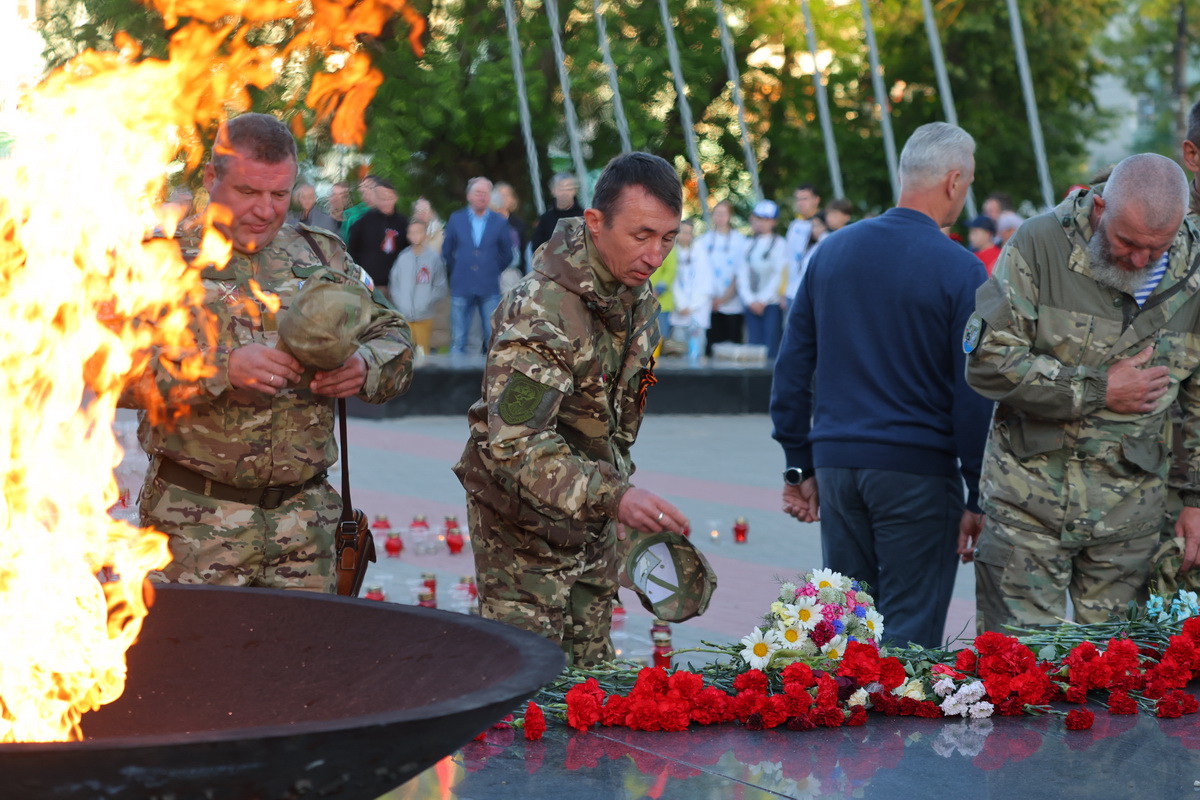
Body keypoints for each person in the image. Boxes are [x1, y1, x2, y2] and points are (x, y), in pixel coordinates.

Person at [133, 113, 414, 592]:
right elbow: (105, 371)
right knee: (197, 665)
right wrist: (220, 369)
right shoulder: (159, 261)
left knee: (309, 666)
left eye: (279, 194)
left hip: (306, 530)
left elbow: (394, 334)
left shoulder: (322, 255)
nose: (265, 210)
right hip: (195, 526)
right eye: (248, 192)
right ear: (210, 178)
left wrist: (364, 367)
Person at [453, 152, 690, 667]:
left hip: (590, 522)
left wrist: (618, 504)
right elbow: (514, 445)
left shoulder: (634, 299)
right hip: (523, 539)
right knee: (521, 691)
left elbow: (614, 424)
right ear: (595, 223)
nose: (655, 254)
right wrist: (617, 496)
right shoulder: (540, 309)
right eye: (641, 235)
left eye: (668, 238)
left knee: (589, 683)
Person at [771, 122, 992, 648]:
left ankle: (844, 727)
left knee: (847, 632)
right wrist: (978, 492)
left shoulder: (831, 253)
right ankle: (892, 734)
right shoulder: (962, 271)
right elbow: (974, 392)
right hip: (917, 472)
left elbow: (792, 366)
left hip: (838, 470)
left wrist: (797, 462)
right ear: (954, 180)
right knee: (908, 642)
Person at [966, 153, 1200, 632]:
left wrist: (1196, 498)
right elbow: (988, 361)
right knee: (1017, 676)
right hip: (1027, 507)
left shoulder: (1194, 264)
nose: (1138, 259)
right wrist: (1096, 390)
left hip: (1131, 520)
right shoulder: (1039, 244)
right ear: (1098, 208)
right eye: (1127, 241)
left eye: (1155, 249)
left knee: (1122, 679)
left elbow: (1197, 397)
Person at [441, 177, 514, 355]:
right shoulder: (456, 219)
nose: (481, 197)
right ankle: (455, 379)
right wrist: (459, 267)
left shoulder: (499, 221)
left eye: (485, 194)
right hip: (461, 283)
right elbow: (446, 251)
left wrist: (492, 268)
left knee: (492, 338)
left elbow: (507, 254)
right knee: (458, 339)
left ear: (490, 197)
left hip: (489, 285)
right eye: (478, 193)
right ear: (469, 196)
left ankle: (491, 380)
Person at [696, 199, 748, 356]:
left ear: (730, 216)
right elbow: (700, 273)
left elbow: (740, 273)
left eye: (724, 214)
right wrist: (711, 299)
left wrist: (724, 299)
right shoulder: (703, 241)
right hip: (709, 303)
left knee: (732, 347)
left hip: (733, 303)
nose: (720, 217)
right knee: (711, 347)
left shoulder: (740, 241)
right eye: (717, 213)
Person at [389, 219, 448, 356]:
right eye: (412, 232)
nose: (415, 235)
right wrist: (401, 303)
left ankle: (423, 376)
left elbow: (440, 286)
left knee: (422, 352)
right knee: (406, 352)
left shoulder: (433, 259)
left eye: (419, 232)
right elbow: (395, 283)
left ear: (425, 234)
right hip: (405, 316)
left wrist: (427, 302)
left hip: (424, 315)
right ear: (408, 235)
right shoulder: (402, 258)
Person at [738, 199, 788, 359]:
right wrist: (750, 300)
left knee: (771, 348)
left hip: (770, 304)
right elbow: (742, 274)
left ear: (773, 222)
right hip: (751, 304)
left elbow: (778, 275)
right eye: (758, 218)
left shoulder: (780, 244)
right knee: (753, 347)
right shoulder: (747, 243)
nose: (760, 223)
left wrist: (762, 300)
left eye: (765, 219)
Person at [347, 177, 408, 292]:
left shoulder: (404, 223)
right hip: (369, 286)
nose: (385, 202)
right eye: (381, 198)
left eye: (388, 197)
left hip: (397, 287)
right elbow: (352, 250)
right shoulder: (362, 223)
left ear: (395, 197)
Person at [668, 219, 712, 360]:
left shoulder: (701, 252)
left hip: (697, 312)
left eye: (688, 233)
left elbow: (705, 282)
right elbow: (671, 279)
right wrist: (681, 305)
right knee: (678, 352)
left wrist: (692, 306)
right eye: (681, 232)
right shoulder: (670, 252)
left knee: (697, 354)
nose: (684, 236)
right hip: (679, 311)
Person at [784, 184, 821, 306]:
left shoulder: (823, 225)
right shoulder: (794, 226)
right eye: (798, 199)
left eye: (805, 199)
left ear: (816, 200)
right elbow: (787, 259)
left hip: (814, 293)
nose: (800, 203)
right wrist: (782, 291)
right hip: (792, 292)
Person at [532, 172, 584, 253]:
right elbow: (537, 249)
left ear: (575, 190)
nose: (565, 193)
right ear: (553, 191)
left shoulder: (585, 217)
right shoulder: (545, 220)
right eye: (561, 189)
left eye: (569, 189)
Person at [340, 175, 377, 241]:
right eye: (363, 187)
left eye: (368, 187)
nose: (362, 189)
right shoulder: (349, 214)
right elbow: (343, 242)